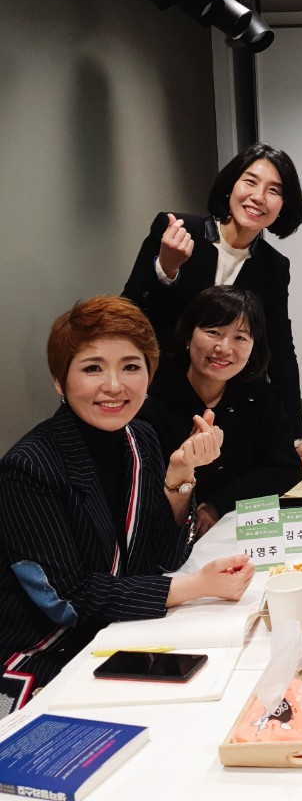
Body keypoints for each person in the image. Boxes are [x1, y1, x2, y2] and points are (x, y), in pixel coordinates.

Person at [0, 297, 254, 709]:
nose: (115, 385)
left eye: (131, 367)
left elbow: (163, 557)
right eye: (93, 368)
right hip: (49, 654)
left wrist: (180, 474)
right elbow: (68, 599)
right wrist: (196, 587)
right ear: (60, 381)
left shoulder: (140, 439)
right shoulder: (29, 467)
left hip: (123, 632)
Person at [122, 142, 302, 460]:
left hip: (226, 406)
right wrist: (165, 269)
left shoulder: (274, 267)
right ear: (230, 186)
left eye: (274, 190)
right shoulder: (178, 230)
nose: (259, 197)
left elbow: (279, 350)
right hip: (157, 398)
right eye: (250, 181)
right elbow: (128, 313)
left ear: (283, 205)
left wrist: (294, 437)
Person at [141, 286, 302, 537]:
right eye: (213, 332)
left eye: (240, 338)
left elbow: (284, 469)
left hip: (242, 533)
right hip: (171, 542)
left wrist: (218, 504)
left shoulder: (260, 397)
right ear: (188, 336)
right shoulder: (151, 405)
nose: (224, 348)